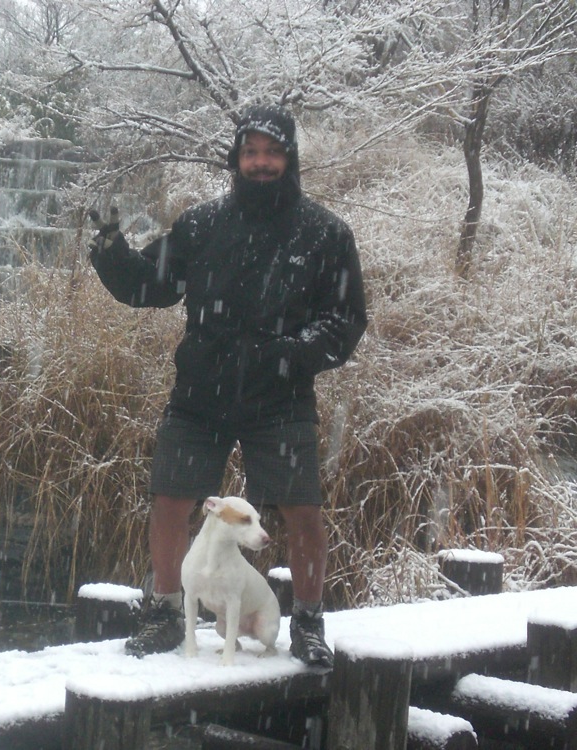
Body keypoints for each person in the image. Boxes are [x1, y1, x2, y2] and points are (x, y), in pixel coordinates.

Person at [87, 104, 367, 667]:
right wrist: (112, 253)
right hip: (201, 393)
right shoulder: (202, 224)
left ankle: (309, 622)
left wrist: (291, 355)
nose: (260, 163)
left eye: (271, 152)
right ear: (236, 159)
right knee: (170, 501)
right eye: (250, 152)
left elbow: (345, 321)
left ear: (289, 158)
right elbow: (152, 286)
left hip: (280, 396)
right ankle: (165, 611)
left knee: (302, 512)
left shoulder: (325, 234)